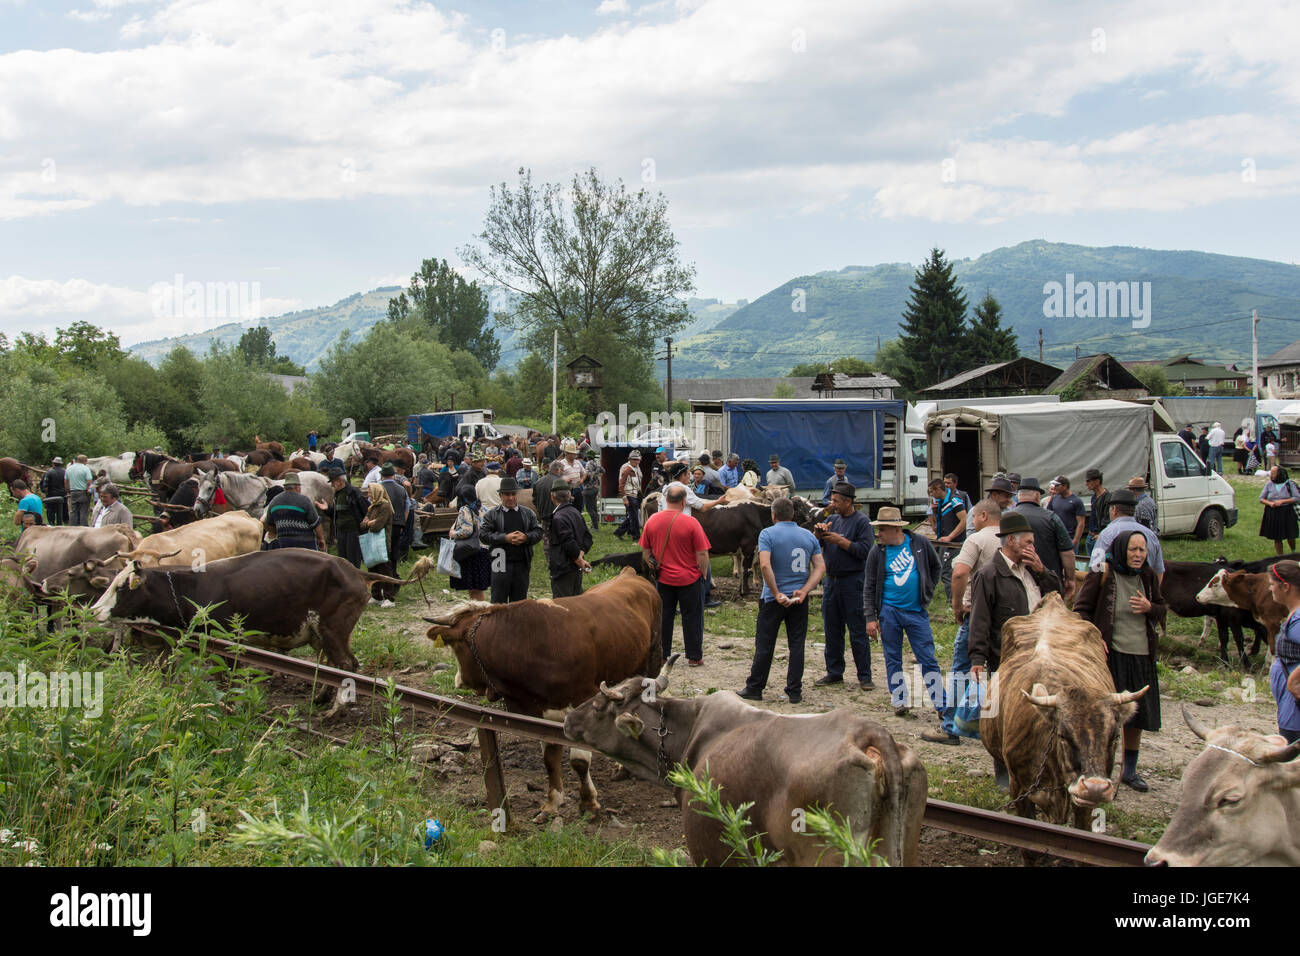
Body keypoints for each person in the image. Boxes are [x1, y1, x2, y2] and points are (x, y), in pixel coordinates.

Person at [968, 511, 1065, 788]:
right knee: (1004, 718)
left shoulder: (1032, 571)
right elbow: (980, 620)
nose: (1032, 548)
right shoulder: (989, 574)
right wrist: (977, 657)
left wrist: (1042, 571)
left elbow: (1058, 598)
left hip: (1040, 656)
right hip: (1007, 659)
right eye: (1029, 542)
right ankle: (1005, 774)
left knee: (1039, 715)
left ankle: (1042, 768)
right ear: (1011, 541)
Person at [1074, 529, 1165, 792]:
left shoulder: (1147, 575)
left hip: (1142, 655)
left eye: (1142, 550)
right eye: (1133, 549)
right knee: (1105, 715)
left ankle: (1130, 771)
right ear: (1122, 549)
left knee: (1137, 716)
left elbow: (1161, 608)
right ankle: (1099, 768)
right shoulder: (1104, 572)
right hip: (1110, 656)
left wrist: (1150, 608)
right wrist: (1094, 636)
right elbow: (1081, 610)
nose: (1138, 555)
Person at [926, 499, 1002, 745]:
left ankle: (951, 728)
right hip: (1006, 617)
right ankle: (1000, 728)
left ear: (982, 515)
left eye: (973, 517)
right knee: (1000, 672)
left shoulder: (977, 540)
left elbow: (959, 572)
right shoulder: (1011, 539)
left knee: (962, 670)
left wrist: (957, 605)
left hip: (977, 614)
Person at [739, 497, 825, 704]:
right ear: (793, 515)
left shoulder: (767, 533)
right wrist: (805, 590)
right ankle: (794, 690)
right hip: (798, 598)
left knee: (765, 644)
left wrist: (776, 591)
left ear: (773, 515)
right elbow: (820, 567)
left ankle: (755, 687)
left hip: (773, 599)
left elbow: (765, 565)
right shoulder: (808, 536)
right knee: (797, 645)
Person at [862, 506, 944, 719]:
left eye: (882, 529)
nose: (878, 534)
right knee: (892, 657)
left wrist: (927, 589)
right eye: (878, 529)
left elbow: (936, 568)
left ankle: (941, 704)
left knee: (927, 657)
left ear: (896, 529)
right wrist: (870, 617)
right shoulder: (877, 552)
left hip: (916, 611)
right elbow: (869, 586)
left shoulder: (920, 543)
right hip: (889, 611)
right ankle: (899, 699)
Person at [812, 481, 875, 691]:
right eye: (832, 500)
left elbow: (865, 551)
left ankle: (865, 676)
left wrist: (841, 541)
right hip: (831, 581)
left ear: (848, 502)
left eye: (836, 501)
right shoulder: (831, 519)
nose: (833, 504)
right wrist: (818, 535)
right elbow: (817, 546)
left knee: (857, 630)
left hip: (853, 582)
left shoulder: (862, 522)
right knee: (832, 628)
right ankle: (834, 672)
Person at [640, 484, 711, 666]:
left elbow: (645, 551)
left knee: (663, 618)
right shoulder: (691, 523)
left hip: (663, 578)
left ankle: (663, 655)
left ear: (665, 500)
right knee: (692, 617)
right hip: (690, 579)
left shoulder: (652, 521)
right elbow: (702, 553)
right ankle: (694, 657)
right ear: (683, 501)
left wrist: (653, 566)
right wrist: (702, 573)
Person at [1011, 478, 1076, 598]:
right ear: (1037, 496)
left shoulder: (1007, 518)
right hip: (1048, 583)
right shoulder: (1052, 518)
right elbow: (1067, 552)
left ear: (1019, 496)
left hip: (1015, 584)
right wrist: (1070, 579)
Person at [481, 477, 542, 603]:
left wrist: (526, 537)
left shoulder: (528, 513)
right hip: (500, 562)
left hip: (522, 562)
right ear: (500, 495)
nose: (510, 498)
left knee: (519, 603)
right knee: (498, 601)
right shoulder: (492, 514)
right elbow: (483, 535)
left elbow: (538, 532)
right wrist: (505, 538)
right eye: (507, 495)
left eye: (513, 494)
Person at [1089, 488, 1165, 578]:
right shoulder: (1151, 535)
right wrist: (1152, 591)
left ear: (1114, 509)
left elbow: (1096, 568)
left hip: (1117, 590)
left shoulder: (1106, 534)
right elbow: (1159, 571)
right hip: (1144, 590)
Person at [1267, 561, 1300, 744]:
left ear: (1285, 586)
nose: (1270, 589)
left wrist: (1293, 680)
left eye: (1272, 584)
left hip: (1296, 714)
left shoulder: (1298, 620)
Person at [261, 472, 326, 551]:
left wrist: (279, 533)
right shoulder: (304, 500)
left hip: (283, 544)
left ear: (285, 487)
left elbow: (267, 522)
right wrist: (321, 539)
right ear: (297, 487)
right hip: (305, 543)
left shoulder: (275, 501)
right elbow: (316, 523)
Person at [547, 485, 592, 598]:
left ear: (552, 496)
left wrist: (579, 560)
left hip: (563, 570)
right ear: (569, 496)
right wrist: (581, 556)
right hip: (575, 570)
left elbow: (568, 543)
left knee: (563, 608)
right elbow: (588, 538)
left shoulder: (558, 517)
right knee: (576, 605)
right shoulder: (575, 512)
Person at [448, 491, 491, 603]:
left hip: (469, 551)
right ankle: (479, 608)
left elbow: (467, 531)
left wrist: (454, 534)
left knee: (473, 587)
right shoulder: (484, 509)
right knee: (478, 586)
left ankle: (478, 611)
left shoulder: (465, 509)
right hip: (483, 550)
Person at [936, 472, 969, 600]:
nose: (947, 485)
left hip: (955, 543)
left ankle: (953, 601)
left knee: (948, 573)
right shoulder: (940, 502)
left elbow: (965, 520)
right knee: (945, 572)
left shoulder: (957, 499)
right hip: (944, 541)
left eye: (949, 483)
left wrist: (950, 537)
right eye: (945, 483)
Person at [329, 470, 368, 567]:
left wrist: (365, 524)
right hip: (341, 532)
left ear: (339, 481)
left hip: (353, 532)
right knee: (342, 560)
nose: (332, 485)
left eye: (333, 482)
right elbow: (337, 513)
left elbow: (365, 509)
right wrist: (327, 509)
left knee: (353, 560)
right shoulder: (337, 494)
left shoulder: (353, 492)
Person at [1260, 465, 1300, 555]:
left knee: (1290, 535)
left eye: (1273, 473)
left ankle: (1293, 552)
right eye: (1271, 473)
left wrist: (1283, 501)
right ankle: (1280, 556)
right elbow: (1261, 498)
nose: (1271, 475)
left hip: (1287, 511)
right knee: (1277, 536)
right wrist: (1270, 503)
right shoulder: (1269, 484)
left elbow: (1297, 498)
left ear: (1280, 474)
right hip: (1273, 512)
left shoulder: (1289, 484)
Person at [1047, 474, 1086, 553]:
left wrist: (1075, 541)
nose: (1054, 487)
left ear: (1065, 486)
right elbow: (1048, 515)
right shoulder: (1054, 498)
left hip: (1069, 538)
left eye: (1057, 485)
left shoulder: (1076, 501)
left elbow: (1081, 523)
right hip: (1056, 537)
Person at [614, 450, 643, 541]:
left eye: (638, 459)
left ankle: (619, 532)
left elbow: (638, 482)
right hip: (629, 495)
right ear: (629, 460)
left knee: (632, 516)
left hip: (635, 495)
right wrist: (624, 498)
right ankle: (636, 536)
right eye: (634, 459)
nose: (637, 461)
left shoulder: (636, 468)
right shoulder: (626, 469)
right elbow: (621, 485)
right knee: (633, 517)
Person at [1083, 467, 1111, 555]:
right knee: (1091, 565)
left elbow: (1108, 520)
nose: (1086, 484)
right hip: (1090, 535)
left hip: (1100, 537)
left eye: (1088, 481)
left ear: (1097, 481)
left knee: (1100, 566)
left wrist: (1101, 535)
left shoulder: (1108, 498)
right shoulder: (1093, 497)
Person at [64, 454, 93, 526]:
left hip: (73, 491)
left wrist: (68, 490)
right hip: (83, 491)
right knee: (83, 511)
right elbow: (89, 480)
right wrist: (87, 488)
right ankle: (83, 526)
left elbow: (66, 481)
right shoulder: (85, 468)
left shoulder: (69, 468)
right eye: (86, 461)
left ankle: (72, 526)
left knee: (73, 511)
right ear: (84, 461)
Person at [39, 456, 67, 525]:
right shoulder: (65, 472)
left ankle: (52, 523)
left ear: (53, 463)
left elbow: (45, 485)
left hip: (51, 495)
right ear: (61, 464)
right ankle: (63, 523)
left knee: (51, 511)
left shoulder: (49, 472)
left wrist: (46, 493)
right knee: (63, 510)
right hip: (63, 495)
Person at [582, 449, 604, 531]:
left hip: (588, 488)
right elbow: (603, 471)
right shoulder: (596, 463)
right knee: (594, 507)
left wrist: (582, 480)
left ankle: (595, 527)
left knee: (589, 508)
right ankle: (594, 525)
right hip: (595, 488)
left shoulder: (588, 464)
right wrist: (597, 475)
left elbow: (587, 474)